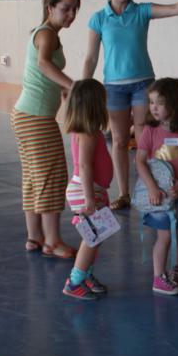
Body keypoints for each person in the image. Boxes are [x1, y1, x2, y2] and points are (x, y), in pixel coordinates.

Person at [82, 0, 178, 211]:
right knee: (120, 140)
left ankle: (154, 185)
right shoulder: (99, 18)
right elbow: (90, 57)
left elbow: (174, 9)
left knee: (146, 137)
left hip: (143, 84)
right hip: (114, 87)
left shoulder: (141, 11)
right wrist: (83, 87)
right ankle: (124, 193)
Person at [11, 0, 80, 260]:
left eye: (75, 10)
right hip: (35, 118)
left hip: (25, 114)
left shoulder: (46, 33)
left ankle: (35, 237)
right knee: (51, 176)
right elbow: (43, 64)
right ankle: (52, 241)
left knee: (33, 176)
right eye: (66, 9)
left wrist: (64, 91)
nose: (71, 14)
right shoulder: (47, 34)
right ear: (50, 8)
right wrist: (73, 86)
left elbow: (46, 74)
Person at [136, 78, 178, 295]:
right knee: (164, 236)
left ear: (174, 104)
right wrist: (152, 188)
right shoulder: (150, 130)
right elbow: (140, 161)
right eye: (151, 102)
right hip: (159, 196)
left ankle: (176, 271)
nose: (153, 107)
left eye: (160, 103)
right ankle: (158, 278)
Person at [61, 79, 113, 300]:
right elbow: (84, 165)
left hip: (90, 190)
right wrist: (90, 198)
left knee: (96, 236)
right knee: (93, 237)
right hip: (86, 190)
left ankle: (86, 275)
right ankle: (74, 282)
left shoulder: (87, 131)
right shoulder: (89, 133)